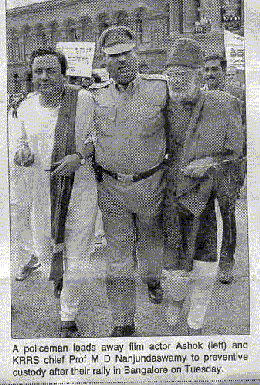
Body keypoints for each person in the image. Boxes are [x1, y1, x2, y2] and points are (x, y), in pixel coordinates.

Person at [9, 47, 99, 338]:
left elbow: (100, 137)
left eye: (51, 70)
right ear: (32, 75)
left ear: (63, 73)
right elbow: (19, 142)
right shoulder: (25, 107)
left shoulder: (83, 100)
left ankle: (68, 316)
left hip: (80, 190)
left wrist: (81, 156)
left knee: (78, 257)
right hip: (42, 193)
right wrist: (21, 151)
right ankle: (59, 277)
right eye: (38, 71)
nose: (44, 77)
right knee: (46, 252)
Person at [90, 25, 168, 337]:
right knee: (118, 257)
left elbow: (177, 136)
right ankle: (123, 323)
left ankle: (152, 279)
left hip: (151, 185)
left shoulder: (161, 89)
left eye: (125, 54)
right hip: (112, 189)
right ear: (104, 62)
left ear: (136, 54)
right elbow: (85, 137)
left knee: (151, 248)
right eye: (113, 57)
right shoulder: (94, 97)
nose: (120, 61)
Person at [162, 38, 244, 334]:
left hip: (206, 198)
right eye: (171, 75)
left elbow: (236, 153)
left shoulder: (224, 105)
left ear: (199, 74)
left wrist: (209, 163)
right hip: (170, 197)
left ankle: (195, 322)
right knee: (173, 262)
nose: (175, 81)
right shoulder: (163, 104)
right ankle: (173, 318)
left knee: (204, 263)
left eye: (182, 74)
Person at [203, 55, 246, 283]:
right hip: (207, 167)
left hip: (229, 167)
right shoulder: (200, 95)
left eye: (214, 70)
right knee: (206, 215)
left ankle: (226, 263)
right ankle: (209, 261)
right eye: (206, 70)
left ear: (224, 70)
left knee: (228, 216)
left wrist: (239, 164)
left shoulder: (238, 95)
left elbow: (247, 130)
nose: (210, 75)